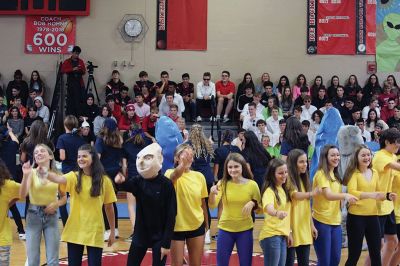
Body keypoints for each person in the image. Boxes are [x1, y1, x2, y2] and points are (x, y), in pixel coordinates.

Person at [46, 144, 116, 266]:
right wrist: (44, 169)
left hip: (95, 230)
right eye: (78, 156)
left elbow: (109, 208)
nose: (80, 159)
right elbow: (58, 179)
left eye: (84, 156)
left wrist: (112, 232)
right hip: (75, 230)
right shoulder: (74, 177)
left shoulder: (105, 181)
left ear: (93, 158)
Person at [115, 143, 177, 266]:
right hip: (141, 234)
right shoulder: (138, 181)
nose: (142, 162)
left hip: (159, 236)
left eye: (147, 158)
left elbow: (171, 214)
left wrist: (166, 243)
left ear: (159, 159)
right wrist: (120, 181)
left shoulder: (166, 184)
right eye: (140, 158)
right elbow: (127, 185)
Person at [343, 145, 395, 266]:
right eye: (363, 155)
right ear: (357, 158)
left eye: (368, 155)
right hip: (356, 217)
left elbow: (378, 192)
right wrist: (372, 195)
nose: (367, 157)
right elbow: (353, 192)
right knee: (354, 255)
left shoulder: (374, 172)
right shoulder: (353, 174)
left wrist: (387, 196)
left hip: (373, 216)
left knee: (376, 253)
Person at [209, 153, 261, 266]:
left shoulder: (252, 185)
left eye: (236, 166)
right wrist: (212, 194)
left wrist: (253, 203)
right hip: (225, 229)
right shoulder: (222, 184)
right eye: (230, 167)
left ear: (242, 167)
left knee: (246, 263)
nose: (233, 170)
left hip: (245, 230)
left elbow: (260, 209)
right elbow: (212, 205)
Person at [19, 144, 67, 266]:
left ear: (50, 156)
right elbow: (22, 194)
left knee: (53, 260)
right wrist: (25, 175)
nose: (38, 153)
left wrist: (56, 204)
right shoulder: (31, 173)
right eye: (36, 153)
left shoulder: (58, 175)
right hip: (33, 215)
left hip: (51, 217)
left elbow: (64, 198)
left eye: (42, 151)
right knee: (33, 259)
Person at [312, 145, 358, 266]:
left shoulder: (336, 175)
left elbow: (336, 197)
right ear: (325, 157)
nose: (336, 157)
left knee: (335, 259)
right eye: (332, 155)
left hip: (335, 222)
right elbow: (328, 195)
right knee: (324, 261)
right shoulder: (321, 174)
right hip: (321, 222)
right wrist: (345, 196)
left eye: (337, 155)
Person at [164, 143, 208, 266]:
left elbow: (203, 203)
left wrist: (207, 226)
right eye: (185, 155)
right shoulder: (169, 173)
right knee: (176, 264)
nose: (189, 158)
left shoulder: (199, 177)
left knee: (195, 264)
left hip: (196, 225)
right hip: (176, 227)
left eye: (191, 155)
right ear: (176, 158)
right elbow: (174, 176)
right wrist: (182, 165)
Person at [285, 149, 318, 266]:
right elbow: (295, 195)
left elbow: (307, 206)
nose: (305, 165)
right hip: (290, 227)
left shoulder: (304, 179)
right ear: (293, 163)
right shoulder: (288, 179)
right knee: (288, 262)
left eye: (306, 162)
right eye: (301, 162)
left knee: (304, 262)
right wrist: (311, 194)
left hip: (303, 227)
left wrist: (312, 225)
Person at [372, 128, 400, 266]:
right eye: (396, 142)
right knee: (376, 246)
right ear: (387, 142)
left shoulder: (392, 156)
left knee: (393, 241)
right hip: (377, 206)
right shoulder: (380, 156)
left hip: (388, 206)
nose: (398, 145)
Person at [121, 123, 151, 241]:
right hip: (146, 176)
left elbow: (124, 165)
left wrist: (124, 177)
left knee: (131, 205)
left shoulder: (126, 144)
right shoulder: (148, 142)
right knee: (147, 205)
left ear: (130, 132)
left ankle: (136, 232)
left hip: (133, 177)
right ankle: (148, 231)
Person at [259, 158, 291, 266]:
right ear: (272, 174)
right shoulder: (269, 191)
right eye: (280, 173)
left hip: (281, 235)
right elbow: (269, 208)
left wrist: (289, 232)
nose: (284, 175)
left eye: (286, 172)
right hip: (271, 235)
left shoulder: (282, 189)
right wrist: (277, 213)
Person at [95, 118, 122, 239]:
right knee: (112, 202)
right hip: (116, 173)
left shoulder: (101, 140)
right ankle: (114, 229)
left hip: (104, 174)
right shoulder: (118, 140)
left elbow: (97, 157)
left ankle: (107, 230)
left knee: (104, 203)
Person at [56, 115, 86, 225]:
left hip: (67, 172)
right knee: (78, 199)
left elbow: (62, 157)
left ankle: (66, 225)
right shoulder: (81, 139)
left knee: (63, 198)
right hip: (79, 171)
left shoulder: (62, 138)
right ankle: (79, 223)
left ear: (65, 125)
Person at [187, 124, 214, 244]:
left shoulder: (188, 145)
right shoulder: (208, 144)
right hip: (208, 176)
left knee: (193, 205)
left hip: (196, 177)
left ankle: (194, 231)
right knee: (205, 205)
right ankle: (207, 233)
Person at [0, 125, 25, 240]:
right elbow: (16, 140)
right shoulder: (11, 145)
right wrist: (10, 131)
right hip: (9, 181)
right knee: (13, 207)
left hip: (3, 181)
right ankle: (21, 230)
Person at [0, 160, 21, 266]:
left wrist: (10, 203)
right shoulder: (8, 185)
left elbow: (24, 190)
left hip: (2, 239)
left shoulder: (7, 185)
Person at [61, 46, 87, 117]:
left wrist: (79, 70)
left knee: (79, 102)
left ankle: (79, 117)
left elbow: (84, 71)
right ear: (72, 53)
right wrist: (72, 69)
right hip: (71, 84)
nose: (77, 55)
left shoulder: (80, 61)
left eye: (78, 54)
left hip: (79, 84)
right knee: (71, 102)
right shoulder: (67, 61)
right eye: (75, 53)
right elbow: (63, 70)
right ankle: (70, 118)